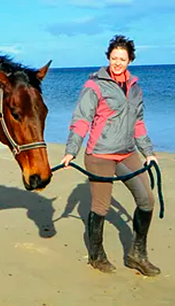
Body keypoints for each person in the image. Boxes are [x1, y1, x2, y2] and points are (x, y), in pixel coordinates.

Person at [60, 35, 160, 276]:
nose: (117, 63)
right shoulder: (94, 85)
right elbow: (81, 119)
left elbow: (138, 124)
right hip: (100, 155)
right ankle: (96, 255)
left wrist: (149, 152)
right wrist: (71, 151)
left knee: (147, 200)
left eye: (122, 59)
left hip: (127, 153)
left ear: (130, 60)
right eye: (114, 58)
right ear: (108, 58)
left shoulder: (135, 88)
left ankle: (137, 254)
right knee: (101, 207)